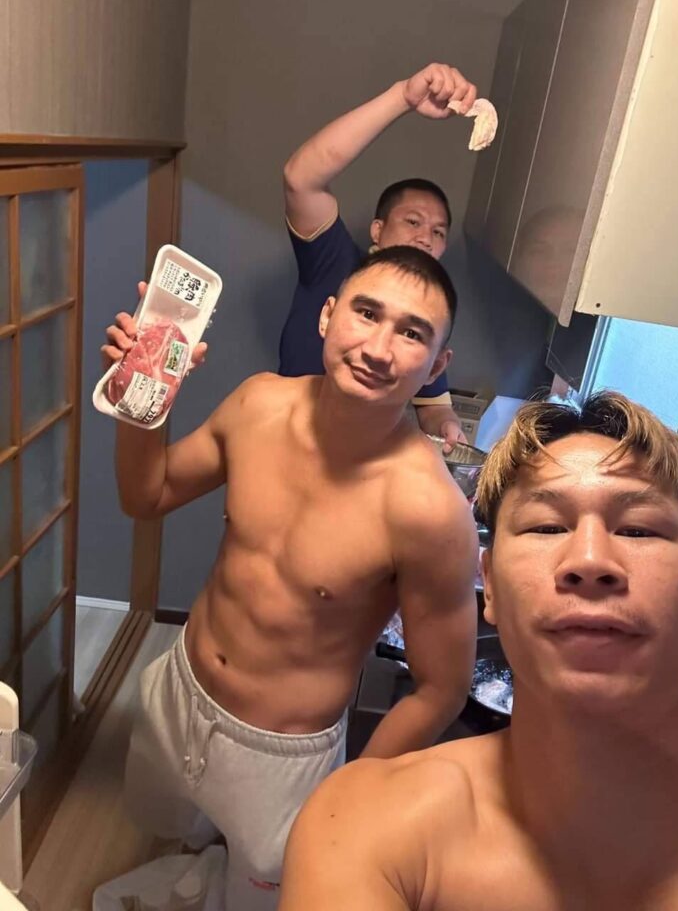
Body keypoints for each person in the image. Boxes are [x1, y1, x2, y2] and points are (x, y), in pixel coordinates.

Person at [279, 391, 678, 910]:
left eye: (638, 529)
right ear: (488, 585)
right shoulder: (367, 827)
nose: (589, 559)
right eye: (547, 527)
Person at [102, 247, 479, 909]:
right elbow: (146, 494)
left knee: (261, 897)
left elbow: (443, 687)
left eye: (412, 333)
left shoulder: (430, 511)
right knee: (167, 829)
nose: (378, 348)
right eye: (367, 313)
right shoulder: (258, 404)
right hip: (180, 688)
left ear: (436, 364)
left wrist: (352, 792)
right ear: (328, 316)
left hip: (281, 756)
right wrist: (143, 401)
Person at [281, 62, 480, 452]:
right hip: (289, 441)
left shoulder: (426, 313)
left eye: (438, 232)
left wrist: (448, 428)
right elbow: (300, 178)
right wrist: (402, 96)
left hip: (360, 461)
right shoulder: (335, 261)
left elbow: (434, 407)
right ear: (378, 230)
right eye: (413, 222)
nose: (425, 238)